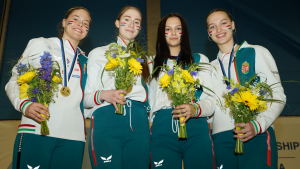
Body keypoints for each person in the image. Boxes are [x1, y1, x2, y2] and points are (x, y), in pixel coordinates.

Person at [5, 7, 91, 169]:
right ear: (64, 22)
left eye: (85, 23)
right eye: (76, 19)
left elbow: (85, 98)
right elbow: (15, 80)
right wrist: (24, 104)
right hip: (37, 130)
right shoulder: (41, 43)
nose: (80, 24)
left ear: (87, 31)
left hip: (74, 137)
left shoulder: (86, 61)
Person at [206, 8, 286, 169]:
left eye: (223, 23)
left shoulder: (257, 52)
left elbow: (277, 95)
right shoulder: (209, 67)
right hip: (221, 139)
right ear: (208, 33)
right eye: (212, 26)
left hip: (255, 133)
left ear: (233, 25)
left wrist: (257, 125)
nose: (218, 29)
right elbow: (210, 104)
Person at [83, 6, 151, 169]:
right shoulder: (98, 53)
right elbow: (84, 99)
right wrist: (103, 94)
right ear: (117, 23)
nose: (131, 25)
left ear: (140, 28)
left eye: (137, 22)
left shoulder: (146, 60)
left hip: (139, 122)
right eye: (126, 19)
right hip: (106, 120)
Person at [148, 13, 215, 169]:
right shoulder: (151, 63)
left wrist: (195, 108)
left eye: (178, 29)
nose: (173, 33)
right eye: (168, 29)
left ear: (184, 33)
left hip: (196, 126)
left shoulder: (199, 60)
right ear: (161, 33)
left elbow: (212, 101)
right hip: (162, 129)